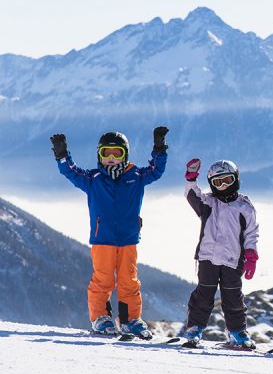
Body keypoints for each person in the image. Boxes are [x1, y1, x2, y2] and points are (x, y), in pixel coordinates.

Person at [49, 127, 169, 338]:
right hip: (102, 238)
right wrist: (62, 156)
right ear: (99, 155)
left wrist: (159, 149)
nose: (111, 158)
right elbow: (70, 171)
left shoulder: (136, 176)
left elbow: (156, 171)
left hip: (128, 238)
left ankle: (130, 319)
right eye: (106, 153)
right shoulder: (93, 179)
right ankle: (100, 318)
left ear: (125, 155)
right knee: (103, 279)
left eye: (117, 153)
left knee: (128, 280)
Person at [182, 159, 260, 350]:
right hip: (208, 257)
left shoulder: (244, 207)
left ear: (236, 180)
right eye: (218, 182)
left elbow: (251, 232)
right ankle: (195, 328)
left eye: (227, 180)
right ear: (212, 184)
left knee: (233, 296)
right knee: (204, 294)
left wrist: (251, 255)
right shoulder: (208, 203)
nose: (223, 186)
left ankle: (237, 331)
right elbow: (192, 196)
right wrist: (191, 178)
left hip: (233, 260)